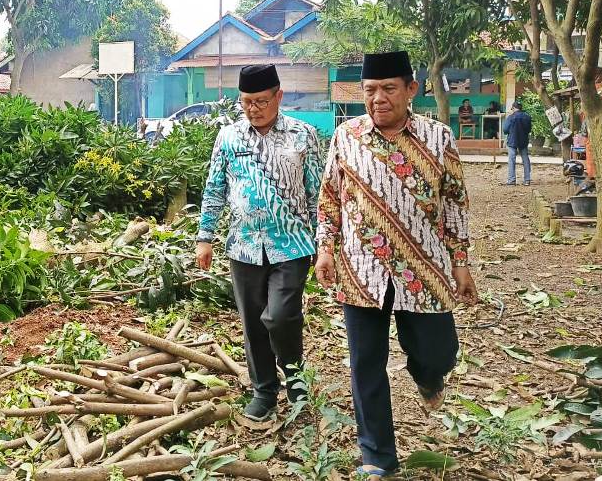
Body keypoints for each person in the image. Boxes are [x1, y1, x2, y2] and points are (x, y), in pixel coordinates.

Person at [314, 51, 478, 479]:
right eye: (370, 91)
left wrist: (461, 263)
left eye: (389, 89)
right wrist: (326, 248)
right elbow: (330, 196)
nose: (378, 99)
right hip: (360, 271)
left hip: (423, 269)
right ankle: (377, 457)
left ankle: (429, 378)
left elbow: (455, 202)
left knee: (438, 352)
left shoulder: (438, 138)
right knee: (365, 363)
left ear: (411, 90)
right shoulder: (345, 136)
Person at [196, 64, 322, 422]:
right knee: (253, 322)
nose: (253, 108)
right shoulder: (229, 137)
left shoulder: (303, 135)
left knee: (280, 316)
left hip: (293, 242)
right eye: (246, 101)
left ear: (279, 97)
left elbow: (318, 194)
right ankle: (264, 391)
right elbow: (214, 188)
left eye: (261, 101)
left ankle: (295, 378)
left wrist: (325, 243)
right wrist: (205, 237)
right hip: (244, 245)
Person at [503, 101, 533, 185]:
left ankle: (512, 180)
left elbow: (505, 130)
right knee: (525, 159)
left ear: (513, 108)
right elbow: (529, 130)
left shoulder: (510, 117)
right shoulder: (527, 117)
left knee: (512, 160)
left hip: (512, 141)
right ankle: (527, 180)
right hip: (523, 141)